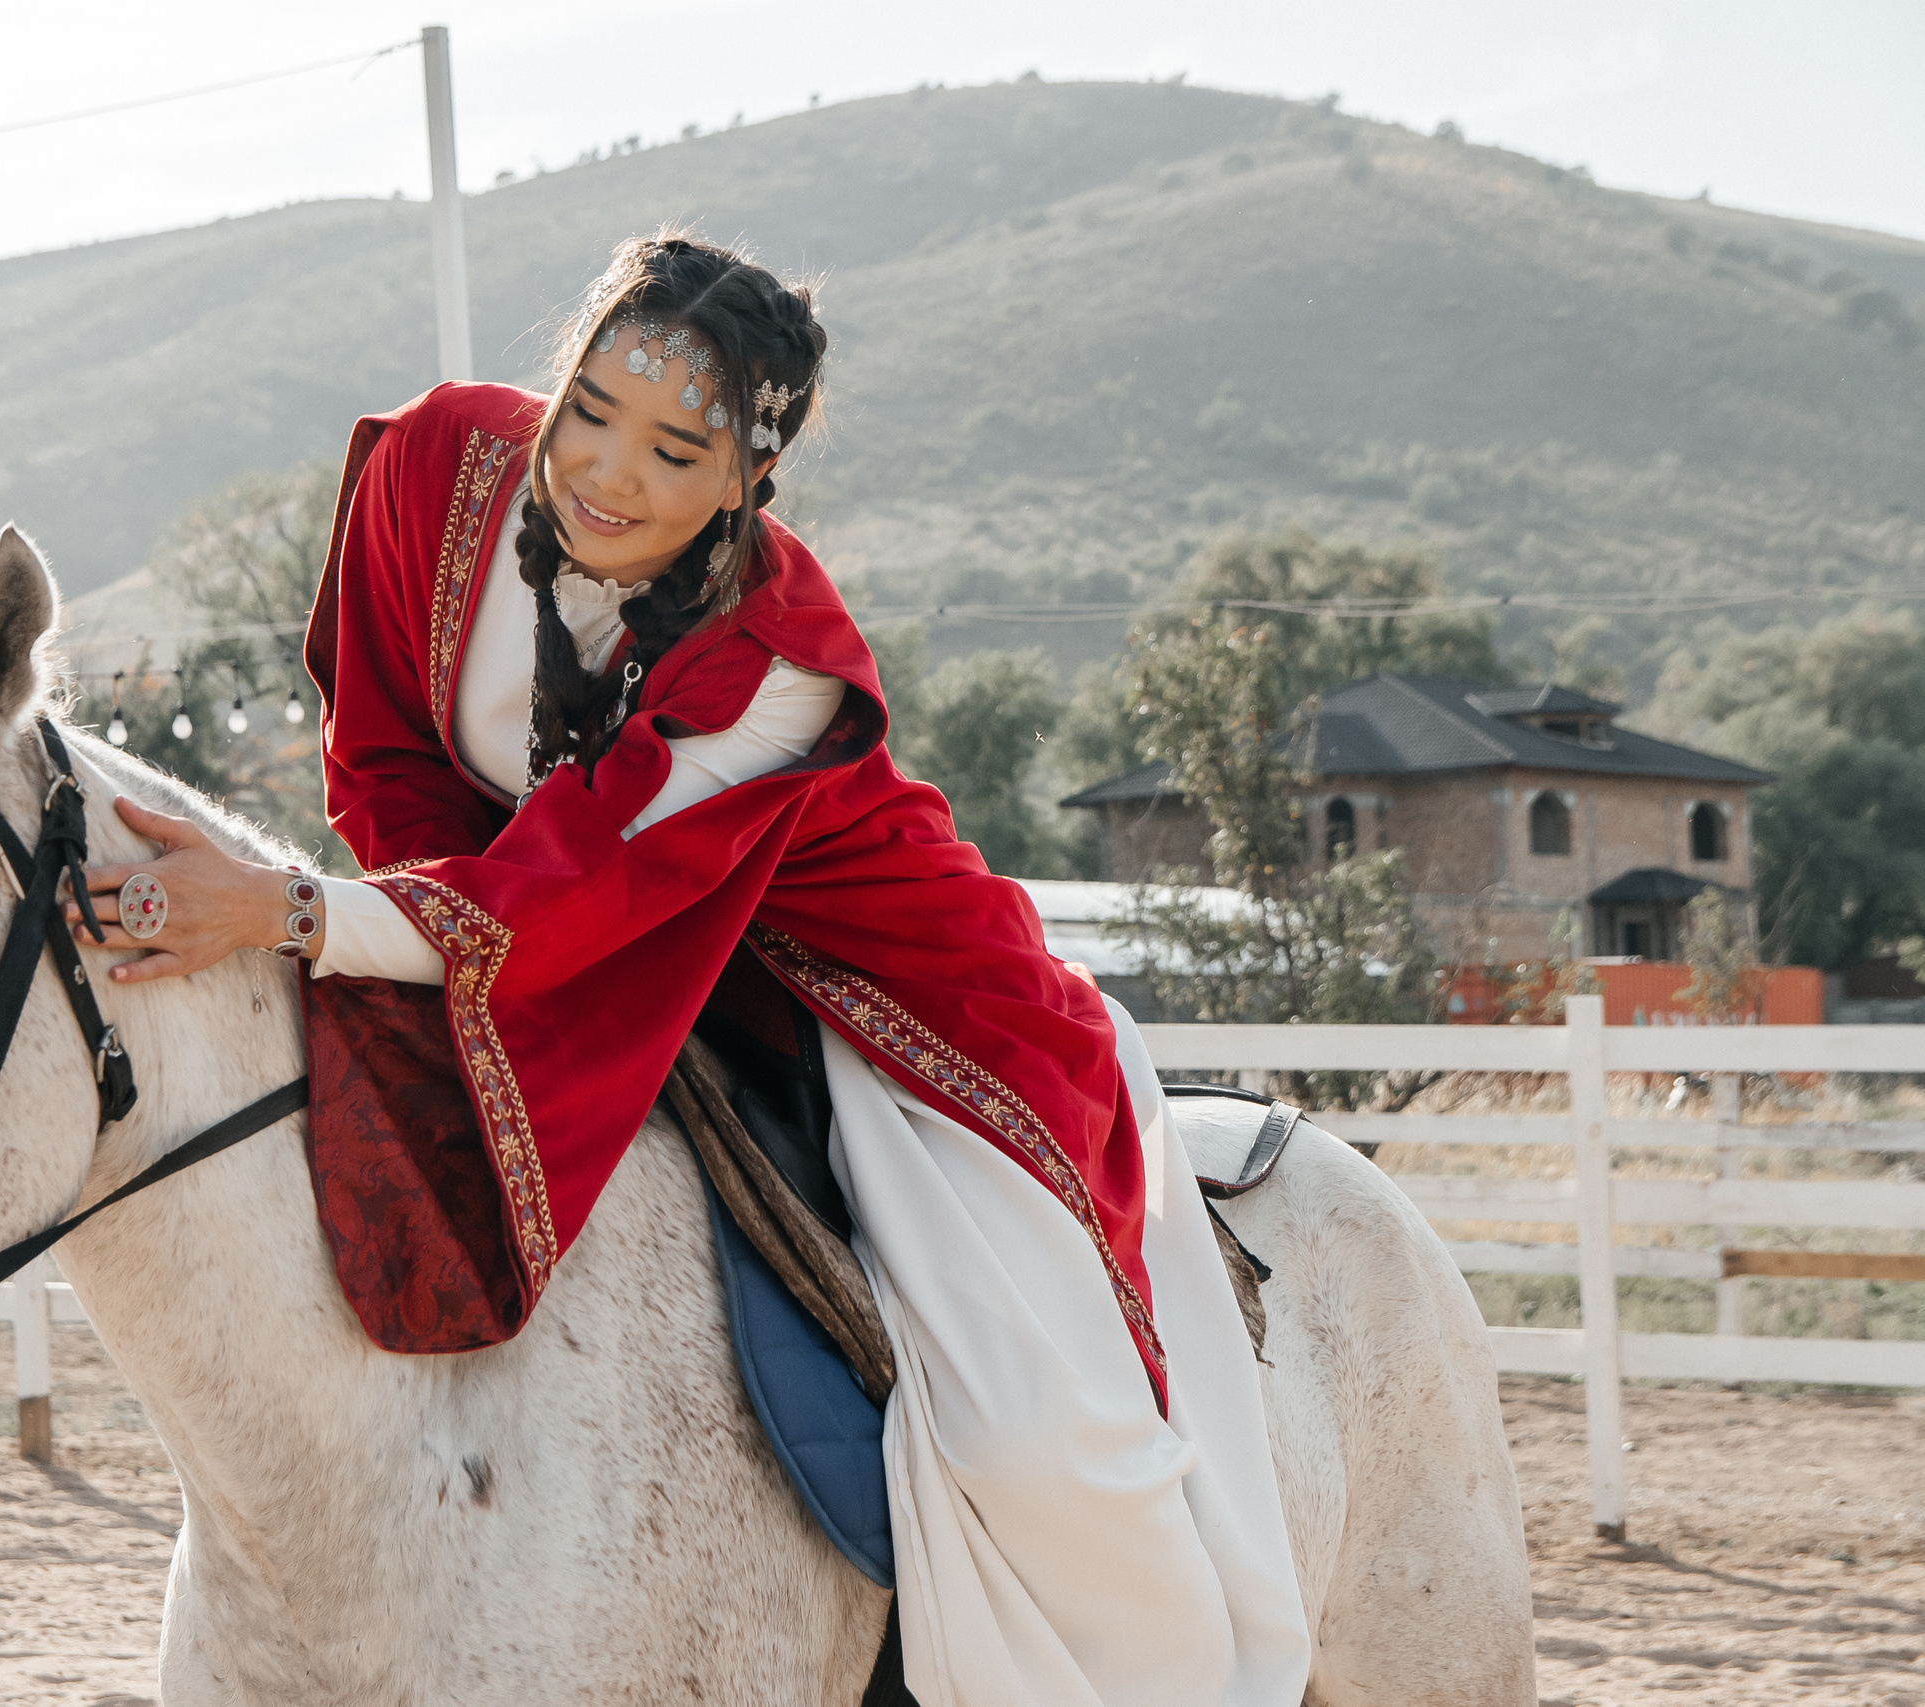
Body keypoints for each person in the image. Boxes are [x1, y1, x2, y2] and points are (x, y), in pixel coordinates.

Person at [68, 234, 1310, 1705]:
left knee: (1035, 1428)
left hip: (868, 989)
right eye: (588, 406)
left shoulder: (779, 662)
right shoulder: (432, 470)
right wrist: (379, 928)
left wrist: (291, 914)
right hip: (557, 943)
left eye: (675, 450)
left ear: (745, 483)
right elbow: (393, 754)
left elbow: (571, 887)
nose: (605, 472)